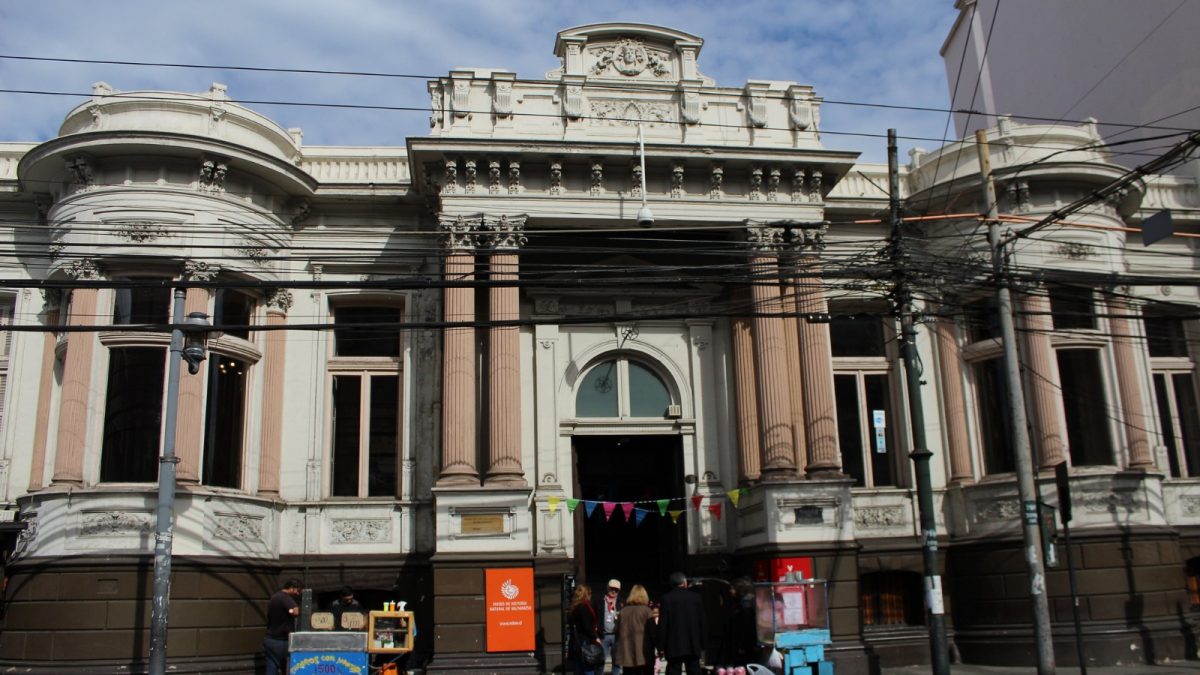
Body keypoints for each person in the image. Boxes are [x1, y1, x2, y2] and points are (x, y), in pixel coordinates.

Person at [657, 571, 705, 675]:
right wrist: (703, 643)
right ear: (685, 582)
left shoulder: (666, 598)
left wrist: (660, 646)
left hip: (674, 644)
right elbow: (702, 622)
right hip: (693, 643)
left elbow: (663, 625)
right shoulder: (696, 597)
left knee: (673, 670)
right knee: (694, 670)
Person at [614, 584, 656, 675]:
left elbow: (616, 630)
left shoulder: (623, 611)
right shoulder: (647, 611)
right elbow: (653, 633)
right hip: (644, 654)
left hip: (627, 654)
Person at [263, 578, 302, 675]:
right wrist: (293, 611)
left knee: (271, 667)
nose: (298, 594)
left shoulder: (274, 597)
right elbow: (295, 611)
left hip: (270, 639)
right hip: (282, 641)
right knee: (287, 668)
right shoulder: (285, 597)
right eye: (297, 591)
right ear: (292, 588)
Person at [568, 584, 602, 675]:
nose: (591, 595)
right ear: (586, 594)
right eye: (589, 593)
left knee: (579, 668)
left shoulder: (573, 608)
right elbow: (587, 627)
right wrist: (596, 637)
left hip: (576, 642)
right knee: (588, 667)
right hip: (585, 642)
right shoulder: (584, 607)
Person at [594, 578, 624, 675]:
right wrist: (596, 633)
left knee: (617, 662)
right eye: (612, 588)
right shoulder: (599, 601)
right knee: (600, 661)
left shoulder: (622, 602)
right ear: (607, 588)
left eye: (616, 589)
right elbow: (593, 617)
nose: (613, 591)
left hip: (617, 636)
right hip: (603, 636)